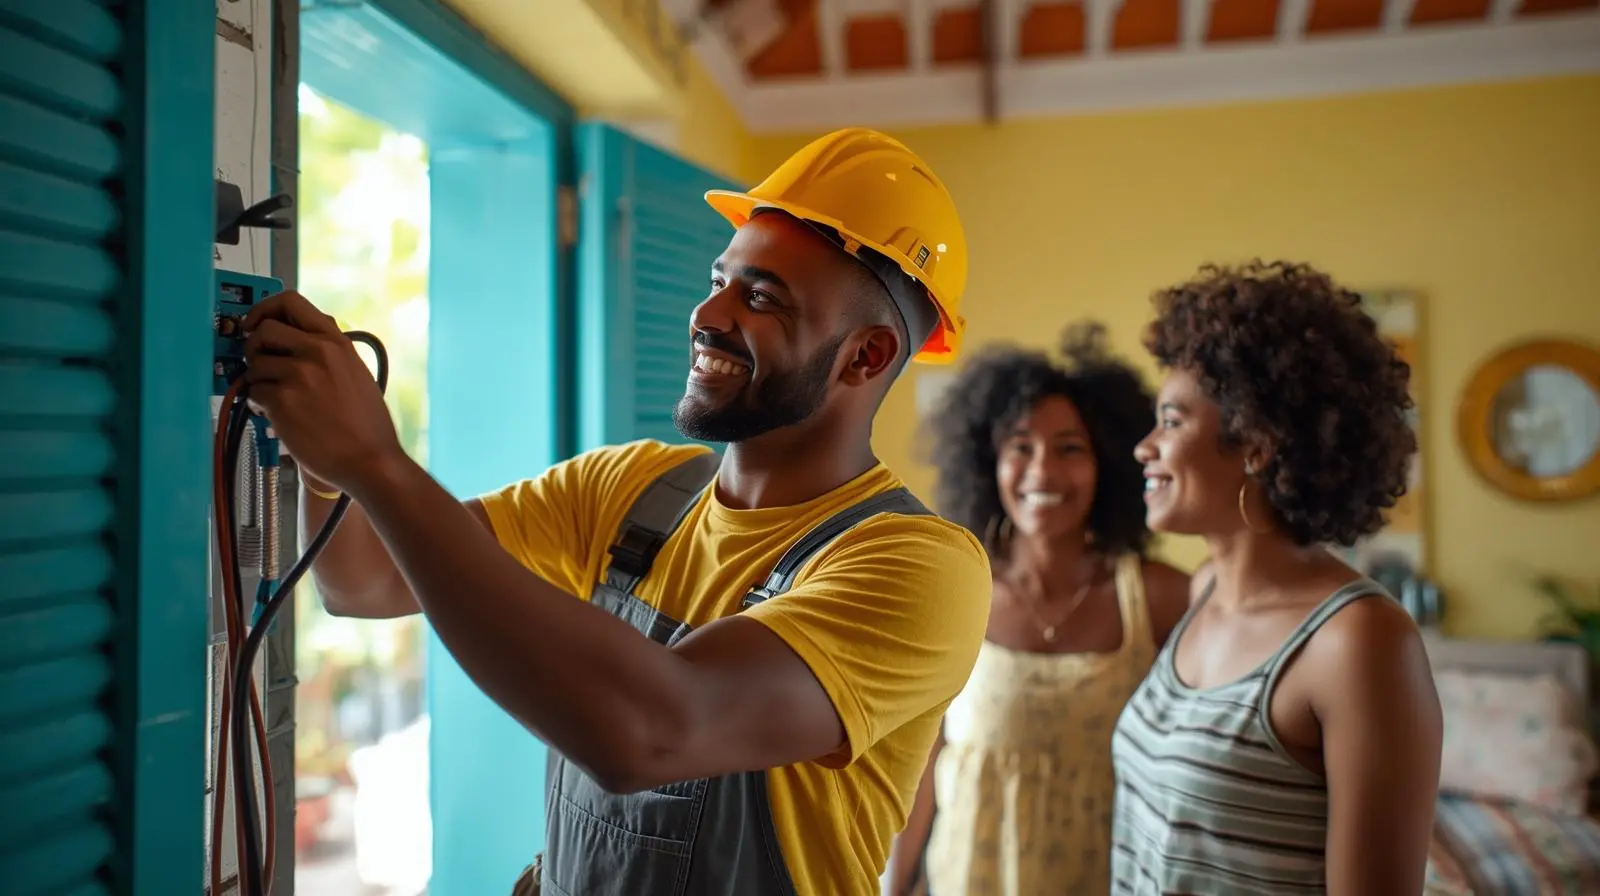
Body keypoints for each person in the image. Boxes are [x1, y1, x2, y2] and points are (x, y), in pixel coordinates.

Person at [239, 128, 995, 896]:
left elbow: (651, 731)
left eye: (761, 297)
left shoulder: (918, 568)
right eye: (719, 279)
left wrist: (376, 462)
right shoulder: (635, 492)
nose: (706, 314)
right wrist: (322, 449)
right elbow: (362, 582)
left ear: (864, 355)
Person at [1110, 260, 1444, 895]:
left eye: (1173, 421)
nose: (1144, 446)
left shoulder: (1360, 642)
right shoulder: (1204, 587)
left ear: (1257, 444)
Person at [887, 322, 1191, 896]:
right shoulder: (957, 589)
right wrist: (895, 885)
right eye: (1020, 446)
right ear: (988, 463)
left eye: (1070, 448)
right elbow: (922, 762)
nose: (1042, 470)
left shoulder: (1159, 599)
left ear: (1109, 465)